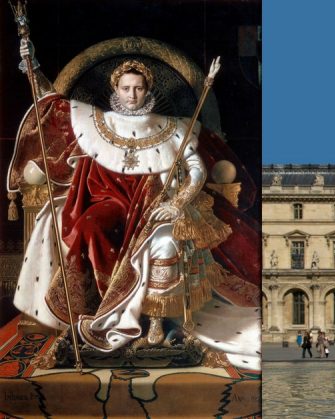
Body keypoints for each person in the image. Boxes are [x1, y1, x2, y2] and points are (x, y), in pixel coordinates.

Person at [10, 41, 261, 369]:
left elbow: (197, 169)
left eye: (138, 88)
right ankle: (100, 309)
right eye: (126, 88)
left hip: (154, 204)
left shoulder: (169, 127)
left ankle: (153, 322)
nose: (132, 95)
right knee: (86, 226)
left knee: (164, 240)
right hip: (110, 202)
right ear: (116, 89)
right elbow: (55, 107)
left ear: (147, 90)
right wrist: (32, 66)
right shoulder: (98, 123)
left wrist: (180, 201)